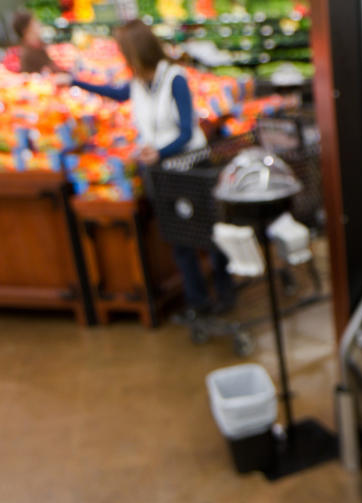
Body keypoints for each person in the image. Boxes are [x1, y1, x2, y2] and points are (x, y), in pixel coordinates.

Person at [64, 19, 235, 317]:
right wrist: (74, 82)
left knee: (208, 232)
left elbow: (185, 131)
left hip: (189, 165)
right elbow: (117, 94)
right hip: (160, 172)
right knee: (178, 238)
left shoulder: (175, 78)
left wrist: (158, 152)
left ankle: (225, 291)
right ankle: (197, 302)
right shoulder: (136, 83)